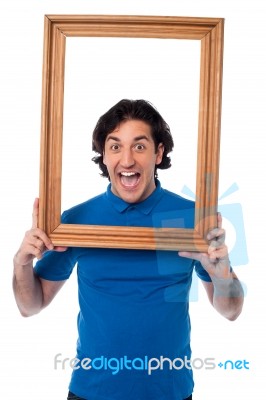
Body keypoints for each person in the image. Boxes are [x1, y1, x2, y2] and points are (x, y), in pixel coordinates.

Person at [13, 99, 244, 400]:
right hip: (91, 392)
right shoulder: (75, 222)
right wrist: (21, 263)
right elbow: (30, 306)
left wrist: (223, 273)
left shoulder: (193, 219)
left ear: (158, 153)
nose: (127, 160)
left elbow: (231, 311)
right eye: (115, 147)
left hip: (170, 393)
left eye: (139, 146)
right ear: (104, 157)